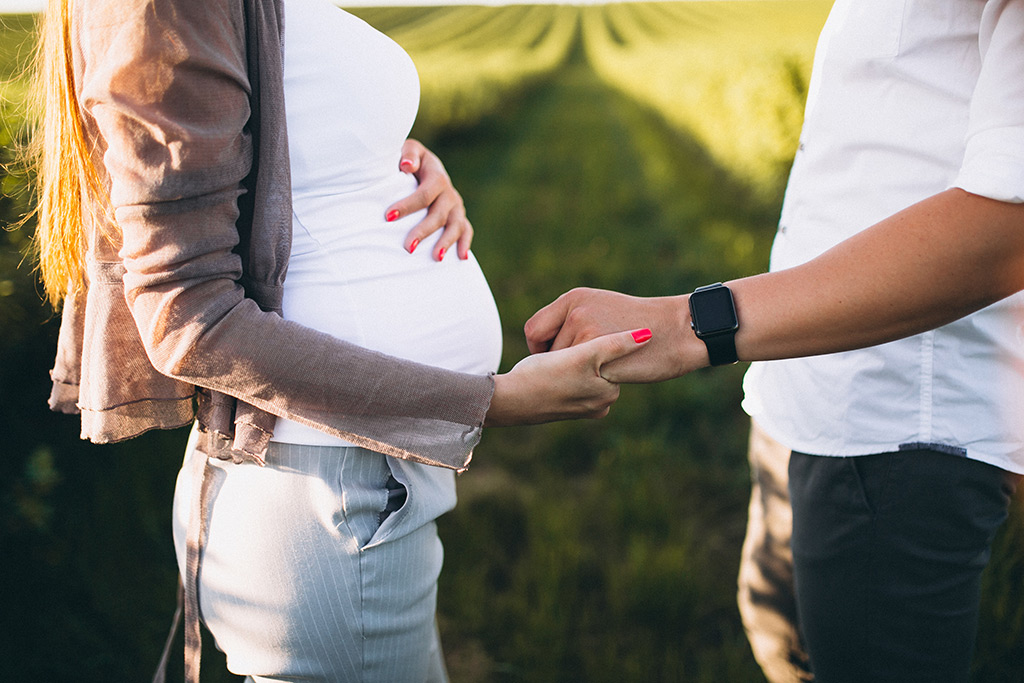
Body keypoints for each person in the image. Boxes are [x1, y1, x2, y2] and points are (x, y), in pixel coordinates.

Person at [30, 0, 650, 681]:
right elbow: (189, 320)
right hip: (327, 500)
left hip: (349, 485)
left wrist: (399, 165)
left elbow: (276, 149)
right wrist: (486, 401)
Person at [524, 1, 1024, 681]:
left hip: (902, 429)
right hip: (803, 389)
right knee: (782, 639)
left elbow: (1007, 227)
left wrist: (685, 325)